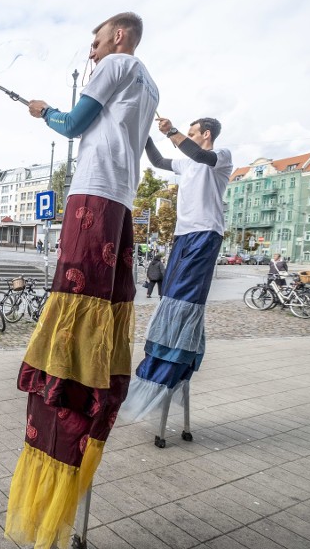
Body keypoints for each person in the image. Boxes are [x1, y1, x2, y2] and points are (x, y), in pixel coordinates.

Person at [5, 12, 158, 549]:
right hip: (120, 204)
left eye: (94, 42)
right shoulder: (150, 82)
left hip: (91, 194)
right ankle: (90, 384)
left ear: (118, 36)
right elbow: (151, 155)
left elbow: (73, 127)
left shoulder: (115, 63)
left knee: (72, 297)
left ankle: (64, 386)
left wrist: (45, 112)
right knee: (99, 300)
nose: (90, 53)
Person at [119, 116, 233, 427]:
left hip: (206, 233)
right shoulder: (185, 163)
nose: (188, 135)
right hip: (182, 236)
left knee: (185, 298)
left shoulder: (220, 157)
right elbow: (157, 160)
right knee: (170, 295)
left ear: (205, 134)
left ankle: (169, 367)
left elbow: (201, 155)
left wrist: (171, 131)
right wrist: (141, 130)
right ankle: (159, 361)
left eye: (192, 131)